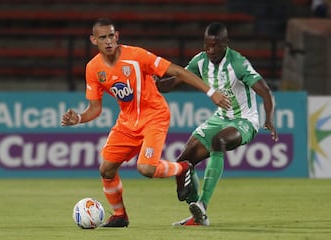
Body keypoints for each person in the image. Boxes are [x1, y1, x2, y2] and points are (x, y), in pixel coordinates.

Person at [61, 18, 231, 228]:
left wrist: (211, 92)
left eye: (111, 35)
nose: (108, 41)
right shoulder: (93, 68)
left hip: (154, 116)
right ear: (93, 40)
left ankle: (183, 168)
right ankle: (120, 215)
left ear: (117, 36)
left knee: (146, 169)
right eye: (102, 37)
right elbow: (95, 109)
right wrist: (78, 118)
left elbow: (177, 71)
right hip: (127, 122)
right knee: (106, 169)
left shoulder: (137, 56)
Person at [156, 22, 278, 226]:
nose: (211, 50)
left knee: (218, 141)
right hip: (220, 118)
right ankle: (198, 216)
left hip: (245, 121)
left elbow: (265, 91)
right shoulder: (200, 61)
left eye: (216, 46)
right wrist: (155, 85)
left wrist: (268, 119)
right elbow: (176, 82)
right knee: (183, 165)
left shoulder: (238, 63)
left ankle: (203, 204)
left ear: (226, 43)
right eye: (207, 45)